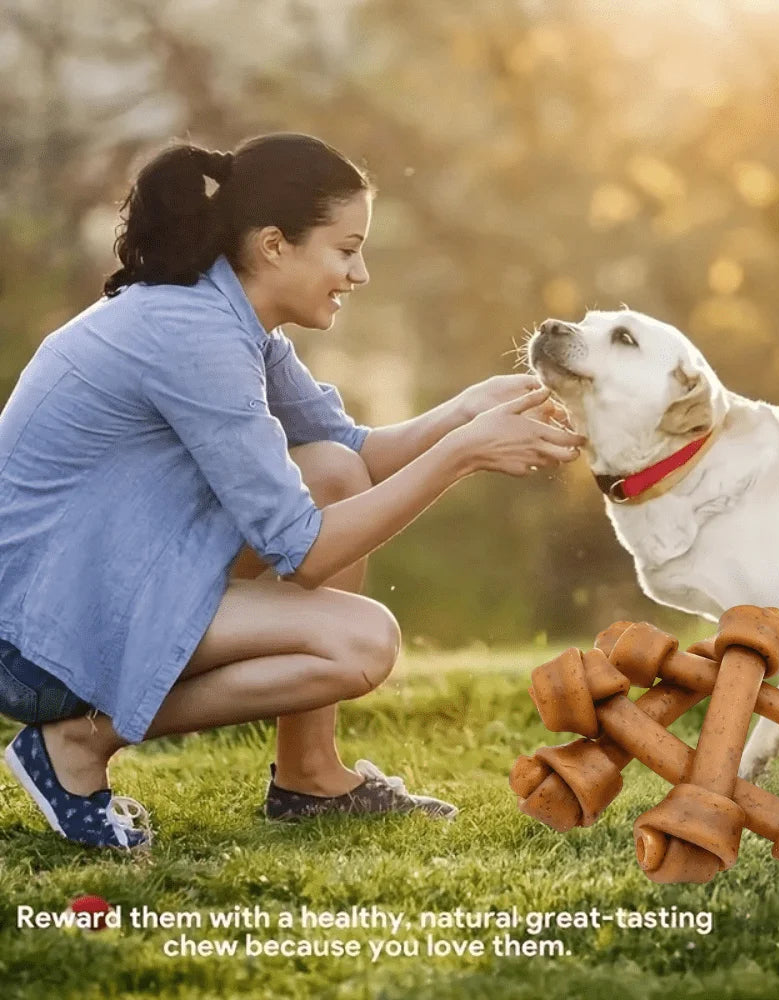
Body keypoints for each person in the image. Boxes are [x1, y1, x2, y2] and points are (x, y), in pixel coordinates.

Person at [0, 132, 585, 850]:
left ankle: (309, 776)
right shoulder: (196, 336)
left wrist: (462, 412)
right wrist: (463, 454)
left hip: (105, 584)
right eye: (345, 249)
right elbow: (304, 554)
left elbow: (355, 457)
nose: (360, 272)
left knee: (333, 472)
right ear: (275, 244)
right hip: (39, 642)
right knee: (362, 644)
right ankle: (76, 744)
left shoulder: (229, 317)